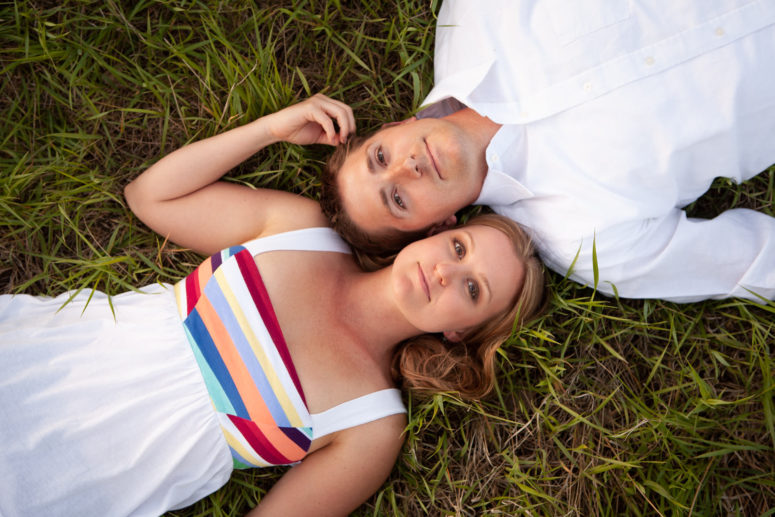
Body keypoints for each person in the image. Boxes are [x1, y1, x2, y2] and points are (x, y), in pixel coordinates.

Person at [0, 94, 546, 517]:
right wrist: (269, 129)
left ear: (462, 333)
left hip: (67, 486)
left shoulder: (371, 429)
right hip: (38, 360)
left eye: (473, 290)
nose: (447, 272)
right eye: (459, 248)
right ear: (437, 231)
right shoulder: (300, 230)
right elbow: (151, 197)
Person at [321, 0, 775, 303]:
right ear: (437, 227)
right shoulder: (583, 239)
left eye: (381, 157)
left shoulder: (471, 19)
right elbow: (749, 260)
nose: (407, 167)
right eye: (398, 199)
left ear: (393, 127)